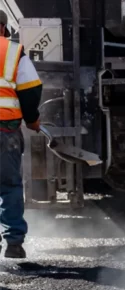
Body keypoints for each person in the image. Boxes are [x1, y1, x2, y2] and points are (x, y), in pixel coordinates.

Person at [0, 11, 42, 259]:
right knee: (9, 186)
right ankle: (14, 243)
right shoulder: (15, 53)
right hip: (6, 132)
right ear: (4, 28)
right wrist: (32, 120)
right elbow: (30, 89)